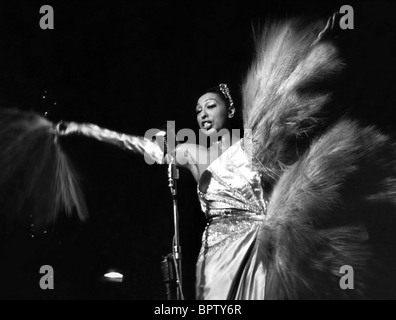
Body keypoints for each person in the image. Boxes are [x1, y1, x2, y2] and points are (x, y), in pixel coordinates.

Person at [52, 17, 396, 299]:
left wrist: (322, 38)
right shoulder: (190, 152)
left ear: (228, 109)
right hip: (218, 251)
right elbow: (139, 146)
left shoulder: (253, 141)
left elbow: (290, 87)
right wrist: (86, 130)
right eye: (198, 109)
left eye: (210, 105)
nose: (202, 113)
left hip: (263, 245)